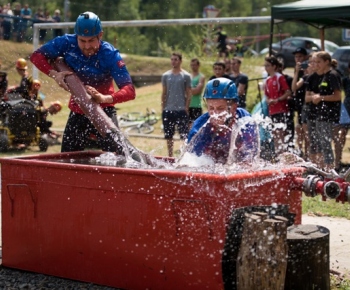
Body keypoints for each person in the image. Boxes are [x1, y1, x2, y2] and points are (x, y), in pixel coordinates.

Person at [30, 11, 135, 153]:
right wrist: (54, 74)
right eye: (82, 41)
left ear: (100, 35)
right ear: (76, 37)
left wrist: (105, 98)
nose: (86, 46)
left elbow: (130, 90)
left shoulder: (110, 54)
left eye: (91, 40)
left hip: (104, 110)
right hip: (78, 111)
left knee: (119, 157)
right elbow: (36, 56)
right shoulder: (66, 42)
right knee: (67, 160)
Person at [185, 77, 258, 164]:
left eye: (220, 108)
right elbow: (191, 159)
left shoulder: (244, 120)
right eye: (211, 108)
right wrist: (208, 131)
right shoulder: (200, 125)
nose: (215, 114)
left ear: (234, 107)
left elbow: (250, 157)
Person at [307, 51, 341, 171]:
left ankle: (330, 169)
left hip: (328, 114)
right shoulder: (317, 76)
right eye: (314, 62)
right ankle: (319, 169)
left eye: (318, 62)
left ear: (327, 62)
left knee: (325, 143)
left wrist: (320, 97)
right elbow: (308, 97)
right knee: (317, 143)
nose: (316, 64)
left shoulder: (333, 75)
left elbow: (337, 96)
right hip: (316, 114)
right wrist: (314, 97)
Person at [161, 52, 192, 157]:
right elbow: (164, 93)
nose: (173, 61)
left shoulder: (186, 76)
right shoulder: (165, 75)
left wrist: (187, 107)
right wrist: (163, 108)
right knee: (169, 135)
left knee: (184, 135)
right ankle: (170, 155)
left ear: (180, 61)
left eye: (175, 59)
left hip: (181, 109)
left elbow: (189, 92)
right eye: (172, 59)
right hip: (168, 109)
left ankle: (184, 155)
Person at [264, 56, 292, 155]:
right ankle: (278, 154)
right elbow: (266, 95)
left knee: (281, 133)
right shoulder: (267, 80)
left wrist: (277, 99)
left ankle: (283, 154)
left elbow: (288, 92)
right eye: (265, 66)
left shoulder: (279, 77)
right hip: (272, 110)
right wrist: (269, 100)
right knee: (275, 133)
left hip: (281, 109)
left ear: (274, 66)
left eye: (268, 65)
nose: (266, 68)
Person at [291, 47, 309, 159]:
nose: (298, 59)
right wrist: (297, 71)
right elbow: (294, 87)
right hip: (299, 102)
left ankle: (307, 153)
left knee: (306, 129)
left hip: (307, 102)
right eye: (296, 56)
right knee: (299, 128)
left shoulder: (308, 69)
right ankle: (300, 152)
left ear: (305, 57)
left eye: (300, 56)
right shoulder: (297, 69)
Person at [189, 58, 205, 129]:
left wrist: (188, 89)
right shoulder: (188, 76)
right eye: (192, 65)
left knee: (196, 127)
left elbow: (197, 91)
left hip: (196, 105)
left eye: (195, 65)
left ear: (198, 65)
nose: (193, 67)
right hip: (188, 105)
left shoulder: (201, 77)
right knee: (188, 126)